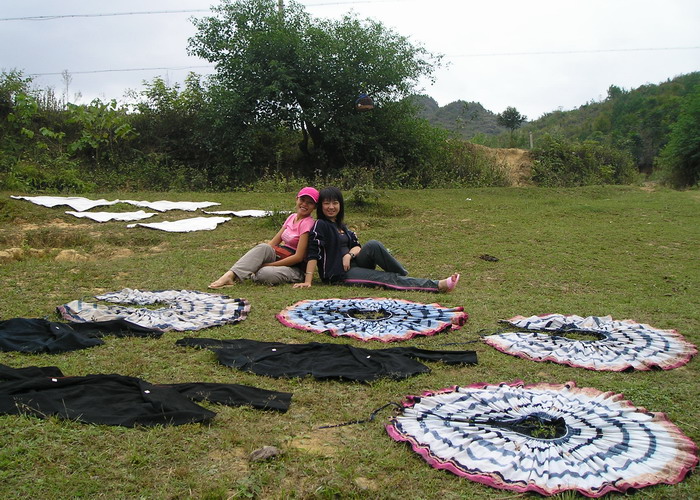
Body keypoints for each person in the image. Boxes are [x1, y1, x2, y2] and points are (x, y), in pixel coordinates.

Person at [293, 186, 459, 293]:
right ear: (321, 206)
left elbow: (357, 246)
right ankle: (436, 285)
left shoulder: (341, 226)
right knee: (384, 278)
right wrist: (308, 281)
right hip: (339, 274)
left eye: (335, 203)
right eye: (327, 203)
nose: (331, 207)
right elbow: (313, 253)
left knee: (373, 245)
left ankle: (402, 278)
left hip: (354, 263)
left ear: (340, 205)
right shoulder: (320, 225)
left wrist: (349, 255)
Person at [209, 187, 319, 288]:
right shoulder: (292, 217)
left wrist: (269, 265)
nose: (304, 204)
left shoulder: (307, 223)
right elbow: (272, 244)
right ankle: (230, 275)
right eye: (302, 200)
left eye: (310, 203)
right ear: (296, 199)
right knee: (263, 247)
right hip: (281, 255)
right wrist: (261, 259)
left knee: (265, 273)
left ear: (314, 207)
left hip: (295, 267)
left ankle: (250, 273)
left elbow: (298, 257)